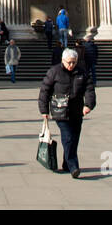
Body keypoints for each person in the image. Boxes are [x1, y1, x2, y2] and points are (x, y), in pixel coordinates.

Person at [38, 47, 96, 178]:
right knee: (68, 137)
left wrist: (88, 105)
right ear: (63, 60)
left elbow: (89, 89)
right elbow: (44, 91)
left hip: (77, 111)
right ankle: (73, 166)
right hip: (60, 111)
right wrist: (44, 110)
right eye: (69, 62)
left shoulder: (81, 72)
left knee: (74, 139)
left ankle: (66, 164)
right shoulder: (54, 72)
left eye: (74, 62)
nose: (71, 65)